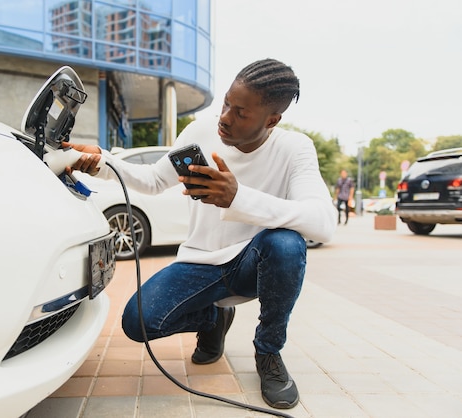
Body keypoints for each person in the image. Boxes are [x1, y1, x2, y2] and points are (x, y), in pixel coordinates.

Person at [65, 58, 336, 410]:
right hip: (199, 261)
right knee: (138, 322)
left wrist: (238, 197)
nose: (225, 117)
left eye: (241, 113)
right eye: (226, 103)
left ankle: (268, 352)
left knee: (286, 243)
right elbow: (153, 180)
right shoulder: (201, 130)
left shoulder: (294, 148)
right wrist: (101, 160)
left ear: (271, 120)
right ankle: (213, 318)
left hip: (250, 264)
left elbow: (323, 222)